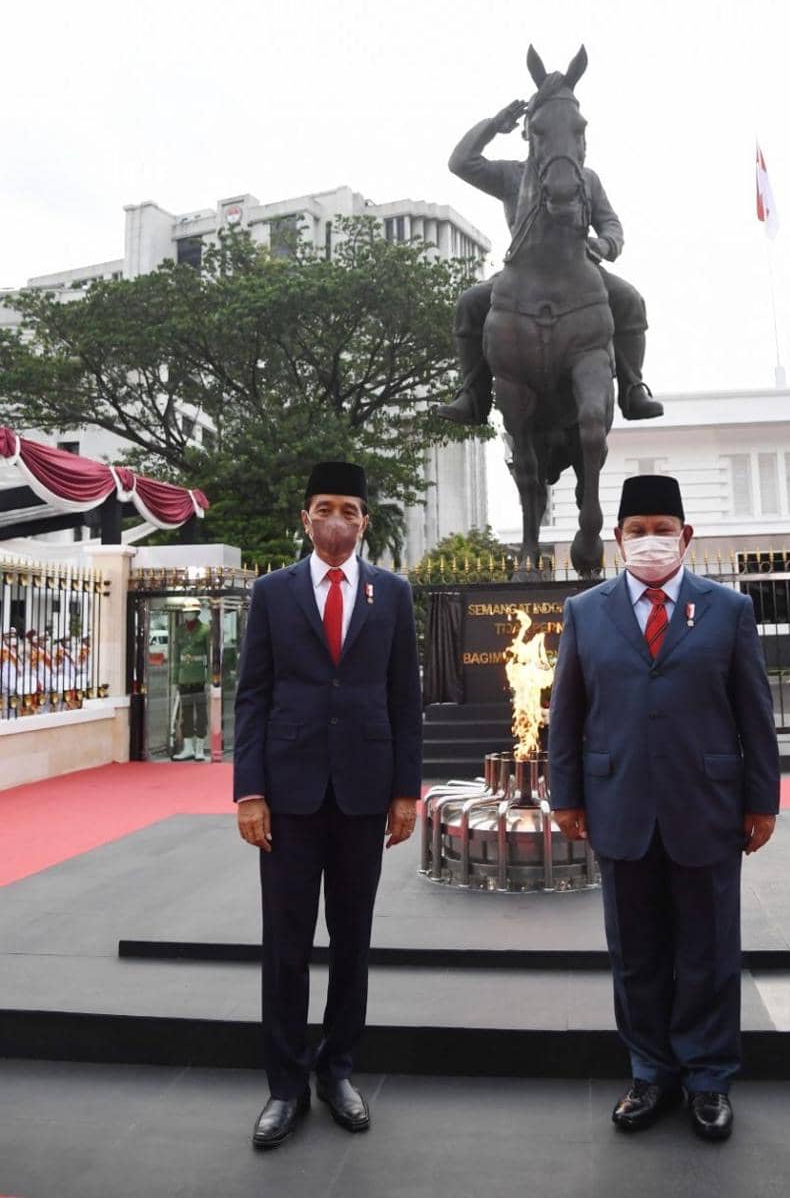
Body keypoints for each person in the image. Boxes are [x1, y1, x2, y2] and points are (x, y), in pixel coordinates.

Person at [548, 475, 780, 1142]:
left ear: (687, 536)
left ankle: (708, 1079)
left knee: (709, 950)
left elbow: (753, 715)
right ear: (617, 541)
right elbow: (567, 714)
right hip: (619, 804)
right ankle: (650, 1072)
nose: (649, 540)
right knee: (637, 952)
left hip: (706, 805)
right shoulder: (586, 611)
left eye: (661, 528)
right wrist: (566, 795)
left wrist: (761, 800)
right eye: (636, 530)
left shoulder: (727, 609)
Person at [234, 461, 422, 1150]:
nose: (335, 518)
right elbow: (252, 695)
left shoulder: (392, 594)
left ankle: (337, 1070)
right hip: (287, 795)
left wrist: (407, 792)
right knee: (285, 945)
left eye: (348, 508)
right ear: (306, 517)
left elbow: (405, 698)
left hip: (366, 792)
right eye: (323, 507)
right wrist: (249, 790)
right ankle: (283, 1086)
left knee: (351, 941)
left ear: (364, 520)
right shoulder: (273, 593)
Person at [435, 98, 662, 426]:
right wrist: (493, 125)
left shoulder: (588, 179)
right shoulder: (510, 175)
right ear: (532, 136)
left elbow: (611, 225)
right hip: (521, 274)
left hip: (581, 270)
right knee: (470, 303)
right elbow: (461, 162)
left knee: (629, 299)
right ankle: (473, 394)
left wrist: (605, 245)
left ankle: (632, 388)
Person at [171, 599, 210, 761]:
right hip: (184, 677)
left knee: (201, 714)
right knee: (185, 714)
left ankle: (200, 748)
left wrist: (209, 680)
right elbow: (176, 657)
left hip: (199, 677)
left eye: (191, 612)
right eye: (186, 612)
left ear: (197, 613)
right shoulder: (179, 631)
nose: (188, 614)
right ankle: (188, 748)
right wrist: (175, 679)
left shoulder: (205, 630)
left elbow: (210, 654)